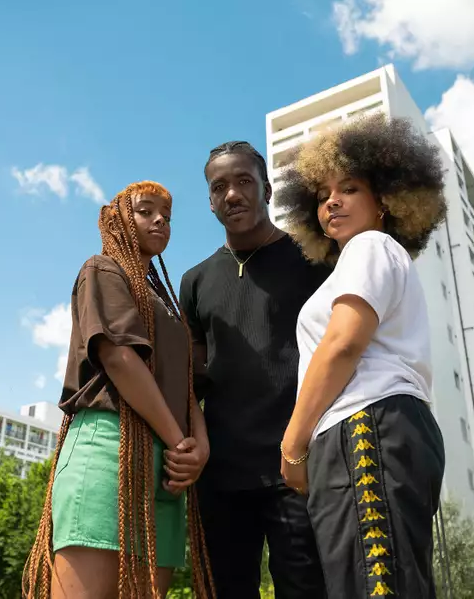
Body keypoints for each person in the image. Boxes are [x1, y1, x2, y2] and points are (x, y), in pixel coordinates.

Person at [275, 114, 448, 598]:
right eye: (323, 194)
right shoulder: (370, 257)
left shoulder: (371, 246)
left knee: (375, 586)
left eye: (349, 188)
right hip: (373, 427)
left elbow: (343, 343)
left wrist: (293, 446)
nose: (332, 201)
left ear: (385, 201)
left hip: (365, 424)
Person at [23, 181, 215, 599]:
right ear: (116, 221)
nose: (160, 219)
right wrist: (180, 441)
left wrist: (198, 448)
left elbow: (184, 385)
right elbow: (119, 359)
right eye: (146, 211)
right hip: (109, 452)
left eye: (166, 213)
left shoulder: (165, 302)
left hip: (167, 467)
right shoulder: (103, 268)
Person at [179, 141, 330, 598]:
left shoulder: (315, 259)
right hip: (220, 476)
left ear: (265, 189)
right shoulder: (195, 281)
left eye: (243, 181)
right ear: (209, 201)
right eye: (219, 186)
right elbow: (192, 377)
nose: (232, 194)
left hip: (297, 466)